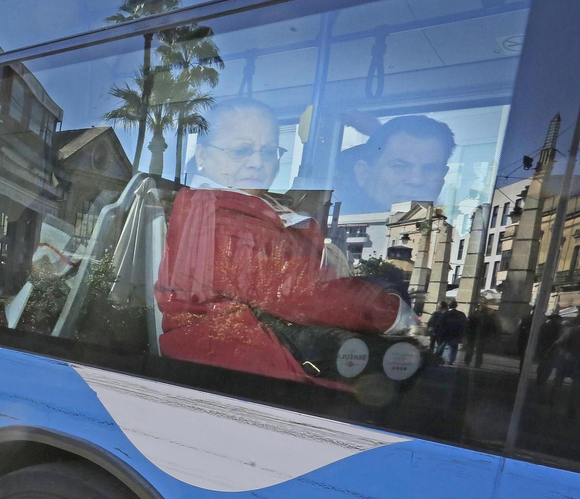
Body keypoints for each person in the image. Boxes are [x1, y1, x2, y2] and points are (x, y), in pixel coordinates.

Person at [156, 98, 415, 387]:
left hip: (242, 356)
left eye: (269, 151)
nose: (258, 162)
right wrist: (385, 309)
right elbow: (294, 292)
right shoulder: (220, 214)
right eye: (242, 150)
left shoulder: (242, 207)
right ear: (202, 155)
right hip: (243, 365)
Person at [341, 115, 456, 213]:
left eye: (430, 169)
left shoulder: (453, 232)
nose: (416, 180)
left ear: (443, 176)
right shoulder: (333, 222)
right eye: (399, 166)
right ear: (364, 174)